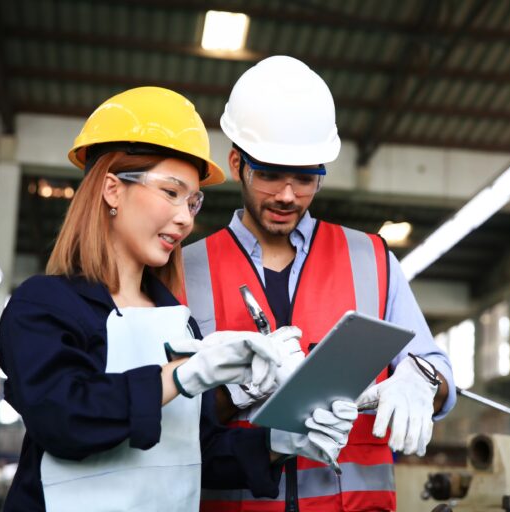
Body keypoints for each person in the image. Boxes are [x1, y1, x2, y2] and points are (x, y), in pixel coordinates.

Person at [0, 86, 357, 511]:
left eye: (193, 200)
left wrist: (282, 441)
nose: (185, 219)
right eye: (170, 192)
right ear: (112, 189)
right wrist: (182, 376)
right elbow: (62, 417)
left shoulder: (175, 320)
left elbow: (195, 453)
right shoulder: (44, 306)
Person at [183, 57, 457, 512]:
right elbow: (168, 414)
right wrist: (233, 392)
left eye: (306, 178)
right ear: (237, 164)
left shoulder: (370, 258)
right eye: (270, 174)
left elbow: (440, 371)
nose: (288, 195)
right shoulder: (185, 268)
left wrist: (422, 380)